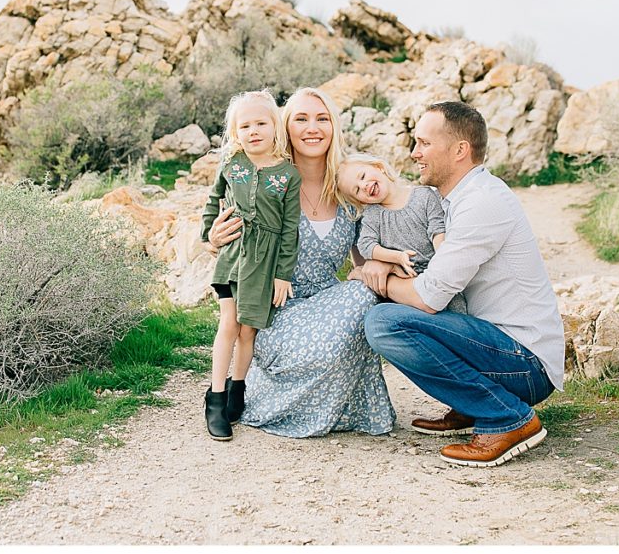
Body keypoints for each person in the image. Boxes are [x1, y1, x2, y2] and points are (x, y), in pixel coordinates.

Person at [359, 101, 564, 467]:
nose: (414, 153)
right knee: (391, 315)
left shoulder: (482, 203)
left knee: (384, 323)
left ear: (459, 151)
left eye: (423, 143)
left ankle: (507, 417)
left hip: (526, 362)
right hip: (500, 347)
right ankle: (473, 407)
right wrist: (377, 257)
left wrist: (379, 278)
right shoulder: (453, 199)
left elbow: (428, 298)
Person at [205, 87, 396, 438]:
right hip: (273, 307)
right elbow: (225, 229)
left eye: (322, 119)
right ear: (284, 127)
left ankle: (339, 400)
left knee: (365, 297)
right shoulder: (270, 177)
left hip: (328, 308)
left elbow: (366, 252)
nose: (313, 128)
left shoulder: (349, 184)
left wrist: (379, 263)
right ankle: (252, 396)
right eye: (301, 119)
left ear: (333, 127)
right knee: (328, 340)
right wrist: (214, 239)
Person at [200, 90, 301, 441]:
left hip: (264, 262)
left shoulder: (288, 175)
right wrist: (207, 237)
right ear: (235, 132)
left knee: (248, 330)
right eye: (245, 125)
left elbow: (290, 229)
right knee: (229, 322)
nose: (253, 131)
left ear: (275, 127)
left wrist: (282, 274)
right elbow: (213, 201)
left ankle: (237, 389)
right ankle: (215, 397)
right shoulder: (232, 165)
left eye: (261, 123)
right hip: (232, 257)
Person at [336, 152, 467, 314]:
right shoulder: (373, 214)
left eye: (362, 176)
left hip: (433, 275)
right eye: (357, 190)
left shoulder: (423, 195)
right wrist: (397, 257)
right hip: (403, 283)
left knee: (455, 309)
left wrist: (443, 263)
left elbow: (438, 231)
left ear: (379, 168)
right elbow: (366, 246)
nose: (363, 185)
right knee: (387, 316)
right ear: (360, 201)